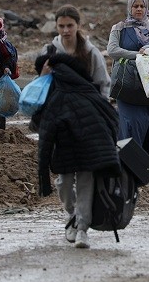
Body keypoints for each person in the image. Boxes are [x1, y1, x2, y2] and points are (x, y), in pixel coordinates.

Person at [33, 51, 119, 250]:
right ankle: (73, 216)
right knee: (64, 183)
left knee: (84, 186)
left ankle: (82, 228)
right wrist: (42, 79)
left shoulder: (84, 91)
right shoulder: (54, 91)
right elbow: (35, 114)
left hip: (87, 148)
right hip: (64, 148)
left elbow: (109, 119)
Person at [107, 0, 149, 172]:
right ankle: (130, 165)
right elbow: (112, 50)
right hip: (127, 85)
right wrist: (137, 55)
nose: (138, 9)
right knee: (130, 123)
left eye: (142, 6)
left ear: (146, 8)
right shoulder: (119, 28)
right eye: (135, 6)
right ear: (129, 8)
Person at [42, 5, 110, 98]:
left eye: (70, 25)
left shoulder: (91, 53)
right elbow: (41, 83)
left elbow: (103, 84)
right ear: (56, 26)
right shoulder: (49, 51)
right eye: (61, 26)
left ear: (78, 25)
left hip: (85, 106)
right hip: (56, 107)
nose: (66, 30)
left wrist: (101, 107)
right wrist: (43, 75)